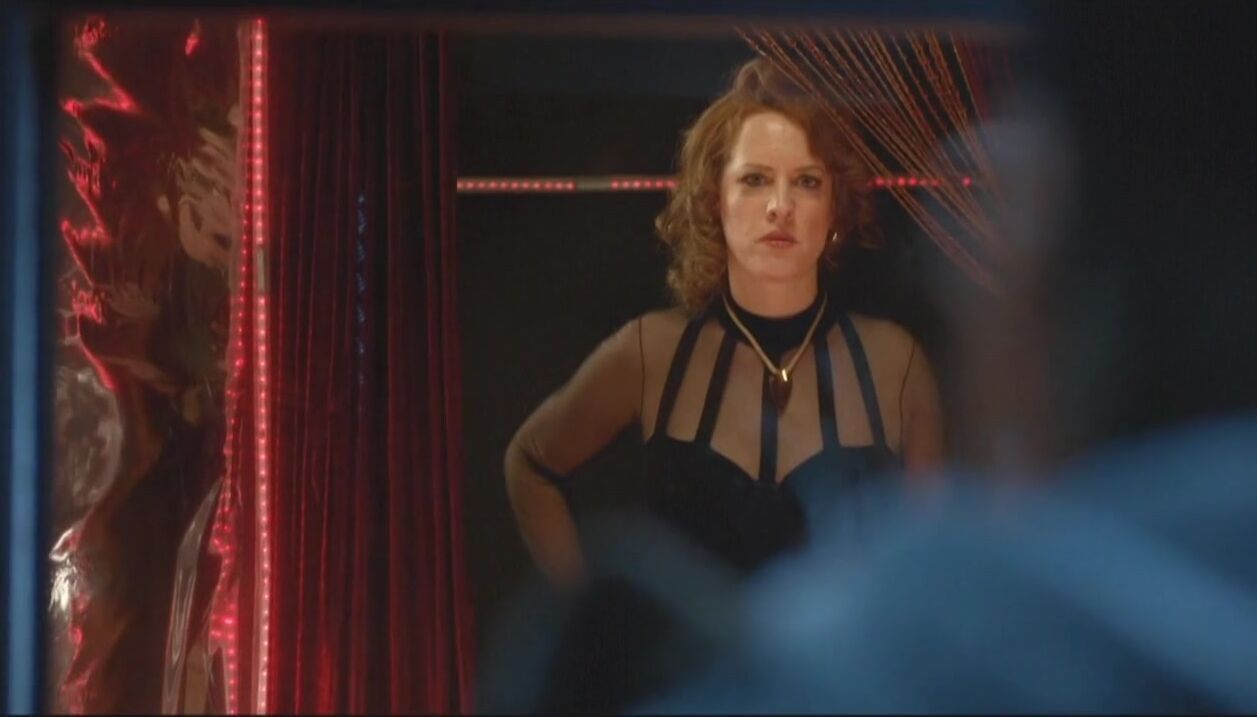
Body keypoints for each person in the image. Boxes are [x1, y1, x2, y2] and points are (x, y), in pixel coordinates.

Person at [504, 58, 945, 591]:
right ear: (716, 199)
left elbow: (934, 564)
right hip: (692, 646)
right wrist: (594, 612)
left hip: (850, 647)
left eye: (806, 182)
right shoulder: (652, 352)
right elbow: (530, 464)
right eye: (755, 180)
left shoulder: (894, 363)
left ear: (835, 206)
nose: (780, 207)